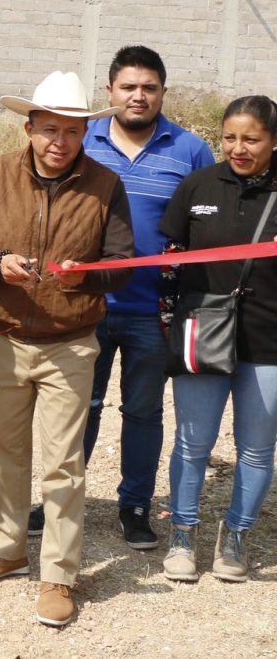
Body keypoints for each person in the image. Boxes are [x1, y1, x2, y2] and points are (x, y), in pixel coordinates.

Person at [0, 70, 134, 628]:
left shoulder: (105, 185)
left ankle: (59, 575)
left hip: (71, 344)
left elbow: (121, 265)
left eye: (72, 131)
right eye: (49, 129)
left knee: (62, 464)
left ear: (85, 134)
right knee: (2, 450)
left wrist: (87, 278)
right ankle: (8, 550)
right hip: (2, 336)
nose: (60, 141)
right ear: (29, 127)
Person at [74, 45, 213, 549]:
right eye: (128, 87)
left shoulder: (191, 150)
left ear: (163, 93)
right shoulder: (80, 141)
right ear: (109, 90)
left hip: (154, 313)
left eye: (149, 88)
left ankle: (134, 506)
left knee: (144, 413)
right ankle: (60, 500)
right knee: (77, 408)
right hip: (85, 308)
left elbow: (207, 228)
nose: (138, 96)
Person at [158, 95, 277, 584]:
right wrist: (169, 320)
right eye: (230, 137)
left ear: (273, 140)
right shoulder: (199, 184)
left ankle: (236, 538)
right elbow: (169, 258)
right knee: (191, 443)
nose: (238, 148)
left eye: (252, 139)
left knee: (256, 448)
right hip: (202, 333)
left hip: (269, 343)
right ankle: (182, 535)